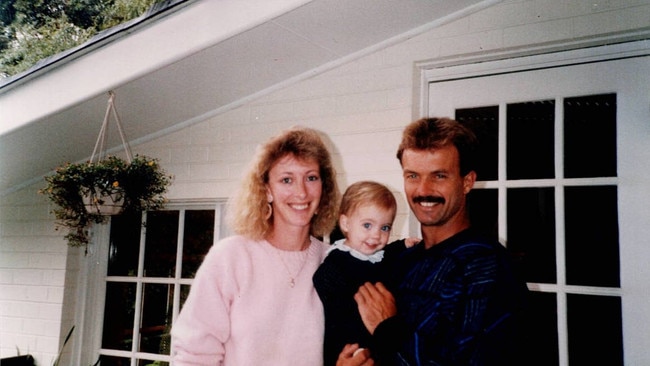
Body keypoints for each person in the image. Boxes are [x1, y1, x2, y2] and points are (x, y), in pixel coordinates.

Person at [349, 117, 529, 365]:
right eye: (413, 175)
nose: (424, 189)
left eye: (439, 176)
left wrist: (388, 328)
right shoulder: (402, 261)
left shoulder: (488, 267)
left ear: (467, 182)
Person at [171, 126, 343, 365]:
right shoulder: (231, 257)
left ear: (323, 187)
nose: (301, 192)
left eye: (311, 178)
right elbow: (193, 356)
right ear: (267, 190)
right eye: (286, 179)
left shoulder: (334, 262)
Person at [313, 181, 419, 365]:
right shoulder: (337, 262)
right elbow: (324, 285)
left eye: (384, 228)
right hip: (347, 345)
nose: (376, 235)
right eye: (367, 225)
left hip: (377, 340)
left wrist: (404, 244)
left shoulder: (378, 256)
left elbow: (389, 253)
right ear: (345, 223)